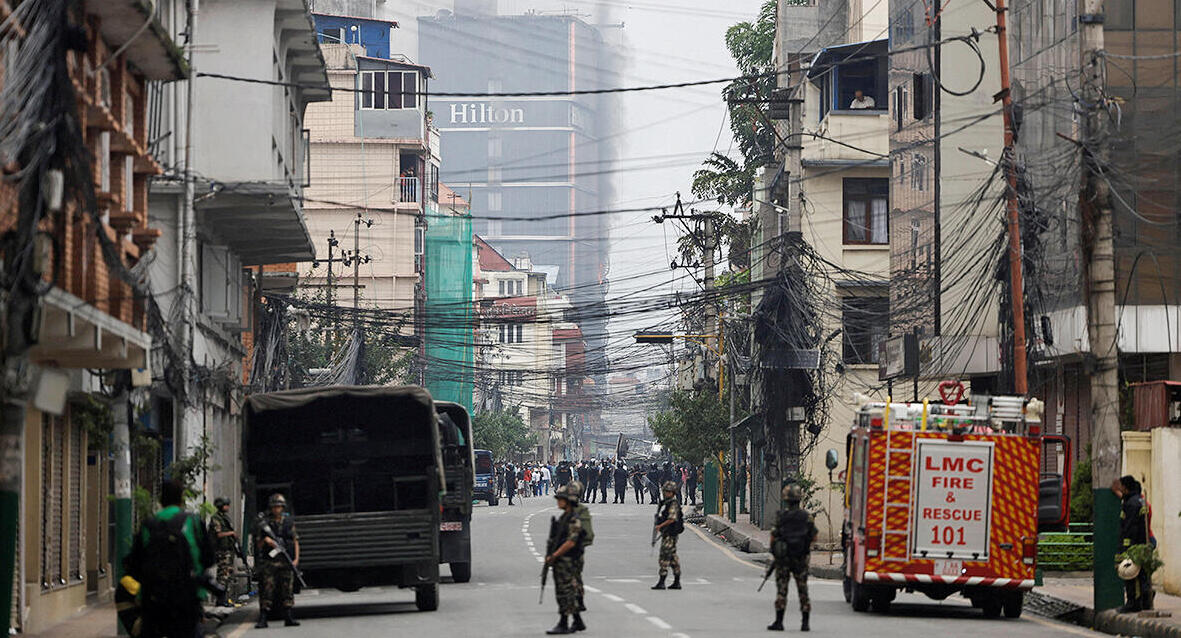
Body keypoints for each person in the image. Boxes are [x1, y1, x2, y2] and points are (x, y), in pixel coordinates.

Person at [123, 479, 215, 638]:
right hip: (187, 597)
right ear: (181, 499)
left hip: (154, 598)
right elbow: (209, 558)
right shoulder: (193, 521)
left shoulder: (149, 524)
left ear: (160, 500)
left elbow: (134, 564)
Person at [767, 484, 818, 631]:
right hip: (801, 558)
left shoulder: (781, 516)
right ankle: (805, 623)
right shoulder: (806, 516)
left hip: (783, 559)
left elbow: (773, 537)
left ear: (786, 500)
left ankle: (779, 621)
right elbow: (814, 536)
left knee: (782, 590)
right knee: (803, 589)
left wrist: (775, 551)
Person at [254, 493, 301, 628]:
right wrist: (266, 541)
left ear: (283, 508)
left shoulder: (288, 523)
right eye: (274, 507)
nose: (276, 509)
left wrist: (296, 559)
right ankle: (263, 618)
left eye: (279, 507)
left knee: (287, 590)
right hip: (270, 562)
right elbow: (258, 545)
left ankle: (289, 617)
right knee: (267, 589)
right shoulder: (265, 524)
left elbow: (295, 541)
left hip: (286, 561)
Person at [545, 485, 587, 634]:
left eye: (561, 499)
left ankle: (564, 623)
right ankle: (577, 621)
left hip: (568, 560)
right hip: (563, 560)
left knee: (565, 591)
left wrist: (554, 555)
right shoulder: (564, 518)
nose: (558, 502)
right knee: (566, 590)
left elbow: (571, 542)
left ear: (568, 501)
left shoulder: (573, 519)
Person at [1114, 475, 1152, 612]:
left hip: (1133, 544)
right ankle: (1145, 601)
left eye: (1121, 487)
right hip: (1143, 543)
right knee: (1142, 575)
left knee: (1131, 574)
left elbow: (1130, 527)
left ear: (1126, 487)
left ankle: (1133, 603)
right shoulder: (1140, 501)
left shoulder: (1131, 504)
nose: (1120, 489)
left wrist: (1125, 548)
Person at [651, 481, 683, 590]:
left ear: (673, 493)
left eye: (668, 492)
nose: (666, 493)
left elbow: (672, 519)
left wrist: (660, 526)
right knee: (673, 557)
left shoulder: (673, 503)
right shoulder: (666, 502)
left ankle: (662, 581)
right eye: (665, 491)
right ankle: (677, 581)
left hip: (670, 533)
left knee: (664, 556)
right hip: (668, 533)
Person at [208, 497, 239, 607]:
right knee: (223, 575)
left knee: (227, 575)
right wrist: (231, 533)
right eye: (226, 505)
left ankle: (224, 599)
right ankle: (220, 600)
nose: (228, 507)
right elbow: (219, 534)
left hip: (227, 550)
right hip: (221, 551)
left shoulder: (224, 518)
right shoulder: (216, 518)